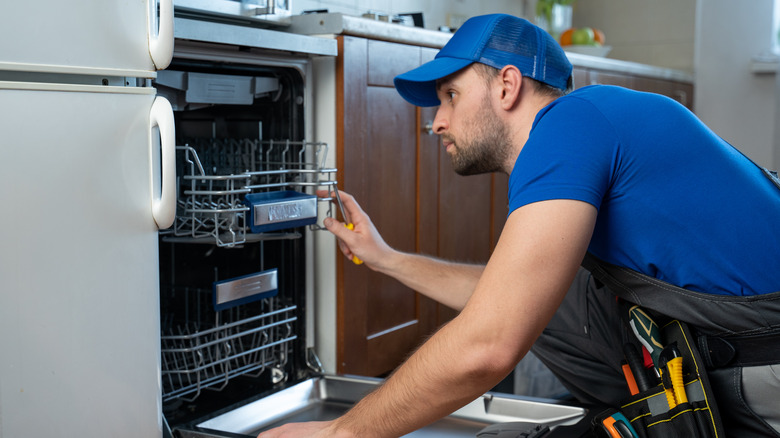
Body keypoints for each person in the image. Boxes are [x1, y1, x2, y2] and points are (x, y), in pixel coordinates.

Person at [258, 13, 780, 438]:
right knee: (564, 298)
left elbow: (489, 345)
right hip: (726, 333)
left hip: (765, 372)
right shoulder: (594, 121)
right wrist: (385, 257)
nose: (435, 120)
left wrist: (341, 433)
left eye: (450, 95)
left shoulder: (572, 125)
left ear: (507, 84)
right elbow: (505, 299)